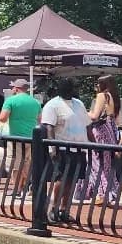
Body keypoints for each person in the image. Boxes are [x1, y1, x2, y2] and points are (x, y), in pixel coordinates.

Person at [40, 79, 82, 221]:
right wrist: (53, 147)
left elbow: (87, 125)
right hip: (62, 148)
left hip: (78, 147)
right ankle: (54, 208)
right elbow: (49, 127)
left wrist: (93, 146)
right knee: (61, 179)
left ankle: (64, 210)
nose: (71, 91)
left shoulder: (79, 104)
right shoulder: (52, 105)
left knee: (72, 180)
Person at [0, 76, 40, 192]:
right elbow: (40, 119)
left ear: (16, 88)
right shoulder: (35, 102)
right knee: (27, 162)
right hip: (31, 137)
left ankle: (17, 189)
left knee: (15, 163)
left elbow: (2, 118)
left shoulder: (11, 100)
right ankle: (29, 184)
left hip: (16, 137)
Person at [85, 75, 121, 204]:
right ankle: (111, 192)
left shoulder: (101, 96)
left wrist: (84, 112)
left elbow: (95, 116)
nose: (95, 87)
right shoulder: (112, 96)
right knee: (107, 164)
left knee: (96, 162)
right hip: (109, 131)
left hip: (100, 132)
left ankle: (103, 194)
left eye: (97, 84)